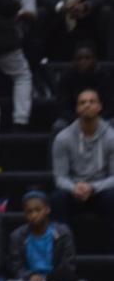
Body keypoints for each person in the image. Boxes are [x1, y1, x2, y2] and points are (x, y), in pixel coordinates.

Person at [50, 88, 114, 242]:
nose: (87, 105)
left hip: (101, 190)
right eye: (82, 102)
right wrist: (74, 188)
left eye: (92, 102)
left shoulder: (111, 137)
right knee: (57, 199)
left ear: (99, 107)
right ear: (77, 109)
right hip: (74, 191)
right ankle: (64, 250)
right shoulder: (62, 138)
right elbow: (60, 177)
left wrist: (93, 187)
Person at [55, 44, 114, 130]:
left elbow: (110, 104)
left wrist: (96, 120)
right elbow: (63, 105)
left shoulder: (105, 76)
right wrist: (77, 120)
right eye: (79, 59)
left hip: (102, 117)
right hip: (74, 118)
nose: (83, 61)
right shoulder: (67, 77)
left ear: (94, 59)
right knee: (58, 126)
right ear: (74, 61)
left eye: (87, 58)